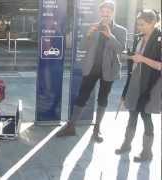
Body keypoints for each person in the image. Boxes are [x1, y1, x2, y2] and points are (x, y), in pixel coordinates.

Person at [56, 1, 127, 143]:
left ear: (112, 13)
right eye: (103, 11)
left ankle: (97, 128)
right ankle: (71, 126)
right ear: (100, 12)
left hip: (109, 69)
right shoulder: (93, 27)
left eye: (108, 12)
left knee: (103, 98)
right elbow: (82, 47)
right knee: (82, 96)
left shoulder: (120, 30)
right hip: (91, 68)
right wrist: (88, 35)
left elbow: (121, 50)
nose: (105, 14)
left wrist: (110, 36)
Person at [115, 9, 161, 162]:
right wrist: (130, 55)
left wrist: (141, 58)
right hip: (135, 81)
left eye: (142, 24)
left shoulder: (160, 39)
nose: (138, 27)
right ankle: (126, 145)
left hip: (151, 85)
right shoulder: (138, 38)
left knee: (145, 116)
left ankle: (147, 153)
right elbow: (135, 60)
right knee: (132, 114)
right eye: (138, 24)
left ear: (153, 23)